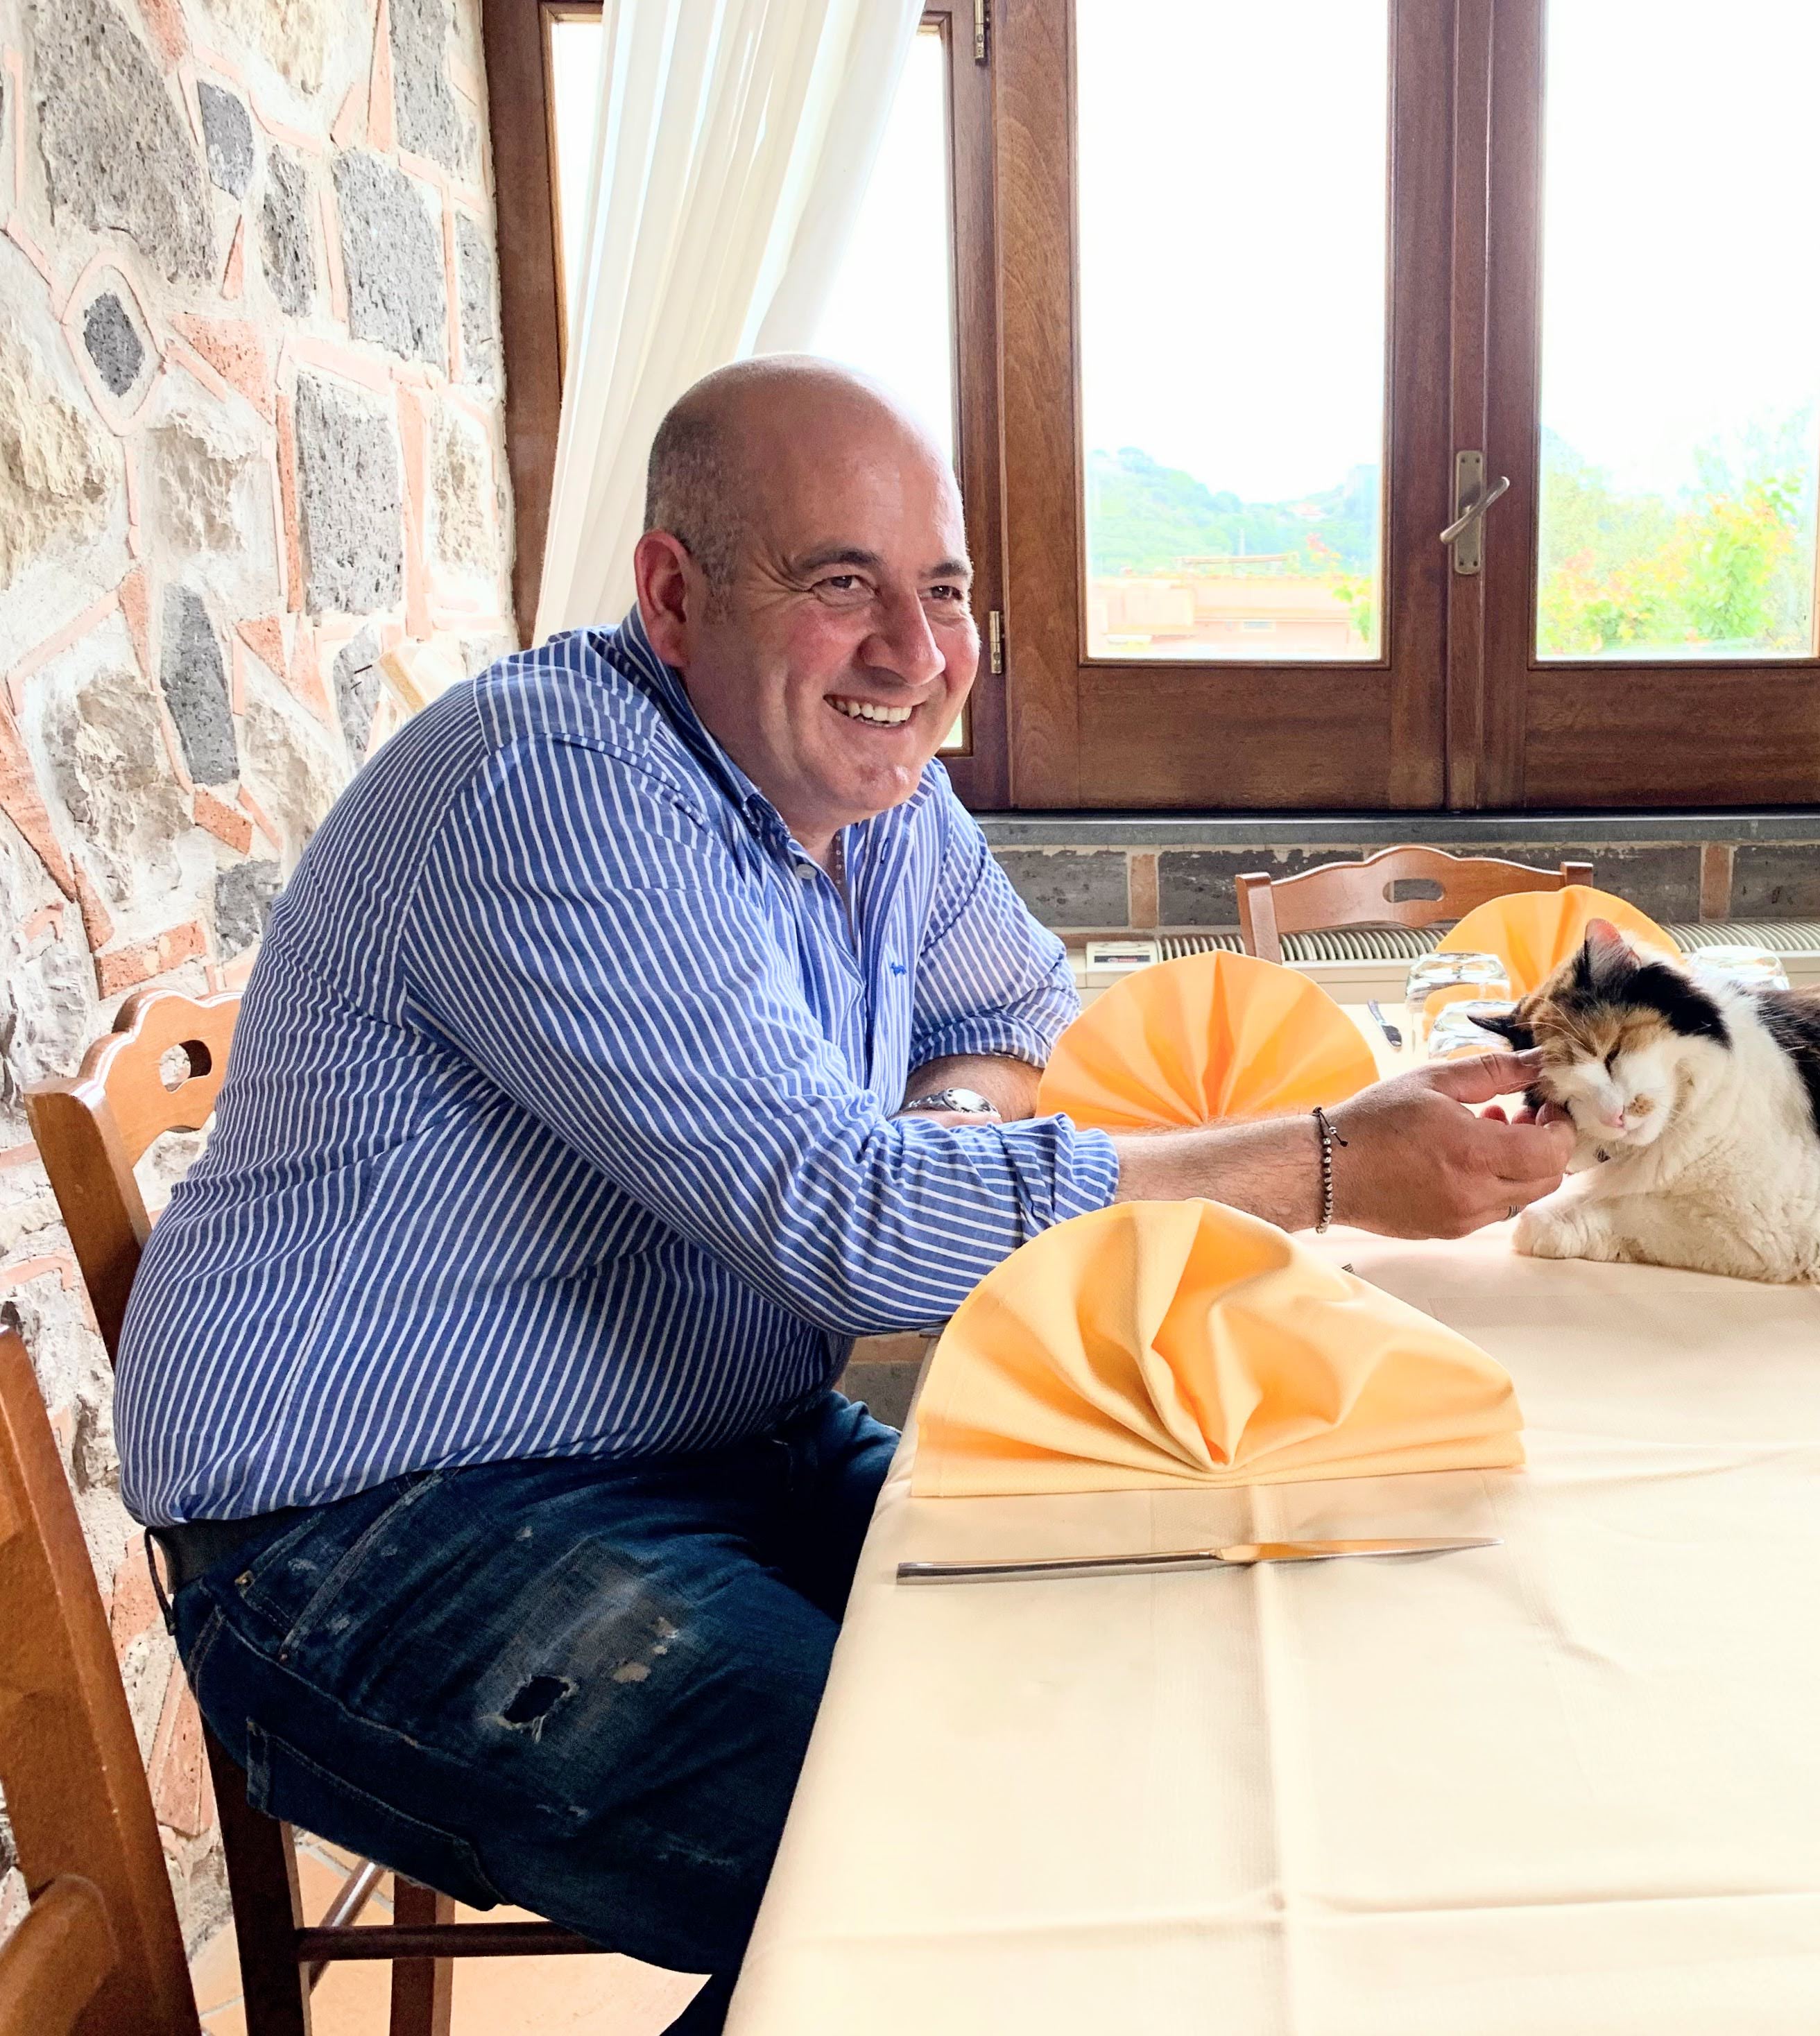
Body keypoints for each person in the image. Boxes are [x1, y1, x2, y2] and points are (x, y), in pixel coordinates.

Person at [113, 356, 1572, 2032]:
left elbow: (1007, 1006)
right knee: (953, 1882)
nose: (915, 654)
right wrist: (1331, 1161)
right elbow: (852, 1228)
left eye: (941, 591)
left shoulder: (865, 788)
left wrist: (950, 1122)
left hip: (718, 1447)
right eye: (838, 587)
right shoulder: (553, 788)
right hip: (369, 1537)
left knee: (1172, 1667)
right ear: (672, 594)